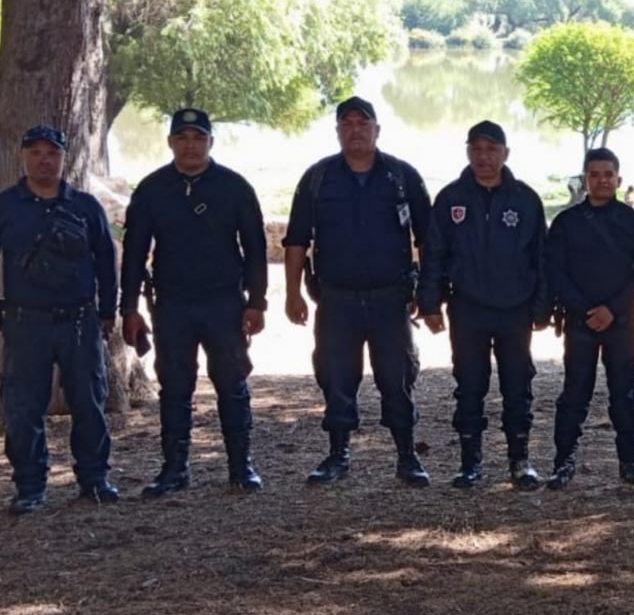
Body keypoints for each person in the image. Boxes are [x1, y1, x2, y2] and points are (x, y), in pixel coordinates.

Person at [283, 96, 433, 487]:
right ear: (337, 131)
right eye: (346, 123)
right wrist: (292, 294)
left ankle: (407, 455)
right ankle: (338, 454)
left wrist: (429, 292)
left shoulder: (401, 176)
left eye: (362, 123)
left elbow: (428, 238)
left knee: (398, 377)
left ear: (376, 129)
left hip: (391, 298)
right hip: (336, 299)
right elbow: (297, 239)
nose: (355, 130)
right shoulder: (318, 179)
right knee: (336, 376)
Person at [122, 108, 269, 496]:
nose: (190, 145)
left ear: (210, 142)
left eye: (198, 138)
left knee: (233, 385)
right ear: (171, 142)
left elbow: (255, 248)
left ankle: (241, 467)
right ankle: (174, 469)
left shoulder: (234, 187)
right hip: (172, 305)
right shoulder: (152, 189)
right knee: (174, 388)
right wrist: (129, 308)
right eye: (182, 138)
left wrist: (257, 302)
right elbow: (135, 252)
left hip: (224, 303)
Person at [418, 120, 550, 490]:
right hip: (468, 309)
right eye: (476, 149)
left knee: (517, 384)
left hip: (515, 309)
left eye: (492, 149)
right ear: (467, 153)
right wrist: (430, 301)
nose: (484, 157)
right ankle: (470, 463)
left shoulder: (525, 199)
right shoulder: (450, 199)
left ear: (505, 154)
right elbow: (435, 254)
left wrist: (542, 307)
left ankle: (519, 461)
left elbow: (541, 257)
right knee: (469, 385)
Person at [0, 125, 118, 514]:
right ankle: (30, 486)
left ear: (63, 158)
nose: (44, 159)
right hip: (24, 320)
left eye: (52, 152)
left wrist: (107, 312)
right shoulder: (6, 206)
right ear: (24, 156)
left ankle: (95, 479)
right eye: (35, 152)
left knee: (89, 401)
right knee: (23, 406)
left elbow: (106, 260)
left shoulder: (85, 207)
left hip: (80, 320)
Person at [544, 148, 634, 488]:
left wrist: (612, 309)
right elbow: (556, 271)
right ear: (585, 180)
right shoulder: (567, 222)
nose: (602, 180)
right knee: (574, 393)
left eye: (608, 174)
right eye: (595, 175)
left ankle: (630, 461)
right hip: (579, 321)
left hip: (621, 321)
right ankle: (563, 462)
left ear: (618, 179)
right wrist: (583, 309)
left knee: (624, 393)